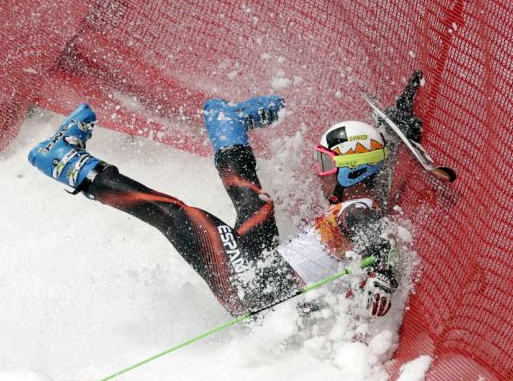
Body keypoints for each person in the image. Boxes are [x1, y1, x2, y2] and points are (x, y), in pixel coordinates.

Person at [27, 79, 423, 319]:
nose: (319, 171)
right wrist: (391, 131)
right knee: (259, 208)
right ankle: (227, 127)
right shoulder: (360, 197)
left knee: (176, 215)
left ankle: (69, 163)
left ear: (351, 173)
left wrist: (383, 273)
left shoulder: (357, 210)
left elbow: (374, 234)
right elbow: (373, 178)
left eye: (326, 163)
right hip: (265, 269)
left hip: (251, 286)